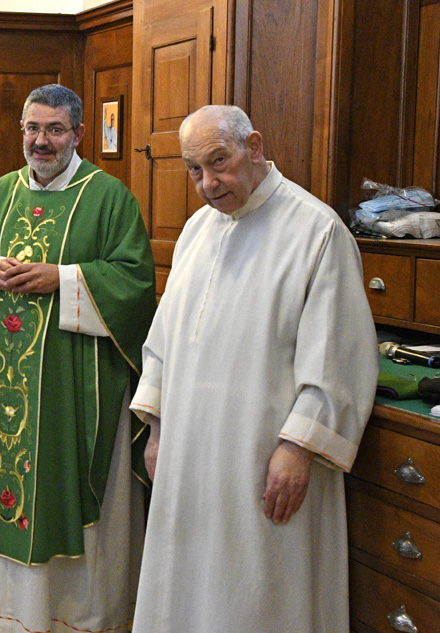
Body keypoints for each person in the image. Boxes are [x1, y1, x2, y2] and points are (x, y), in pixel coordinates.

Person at [129, 105, 377, 633]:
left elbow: (339, 358)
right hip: (189, 457)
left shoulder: (317, 231)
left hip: (262, 460)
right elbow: (164, 339)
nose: (207, 182)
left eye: (218, 162)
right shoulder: (198, 229)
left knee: (258, 597)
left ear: (255, 147)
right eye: (194, 169)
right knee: (187, 589)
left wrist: (298, 448)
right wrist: (155, 429)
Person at [0, 84, 156, 633]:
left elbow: (135, 284)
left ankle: (72, 617)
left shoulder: (109, 197)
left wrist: (61, 279)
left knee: (66, 492)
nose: (42, 141)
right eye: (33, 129)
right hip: (3, 397)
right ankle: (4, 612)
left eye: (55, 129)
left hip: (72, 392)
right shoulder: (1, 193)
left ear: (78, 134)